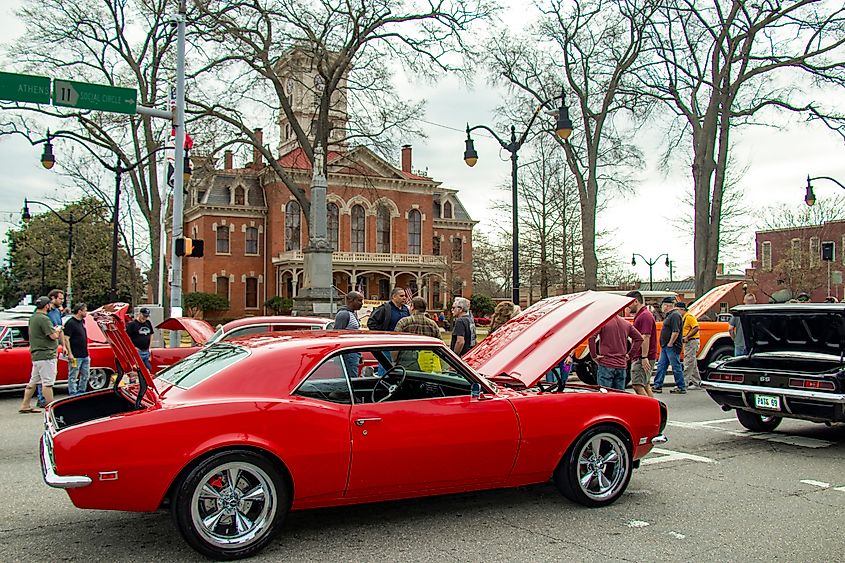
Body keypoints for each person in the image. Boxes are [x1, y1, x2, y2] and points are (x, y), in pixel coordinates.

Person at [19, 296, 62, 413]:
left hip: (36, 354)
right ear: (47, 305)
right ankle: (52, 408)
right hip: (46, 354)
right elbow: (53, 336)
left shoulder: (33, 318)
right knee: (47, 383)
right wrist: (58, 330)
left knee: (33, 382)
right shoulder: (44, 319)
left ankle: (25, 405)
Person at [588, 311, 643, 391]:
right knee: (619, 396)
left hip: (606, 363)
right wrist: (630, 354)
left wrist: (594, 356)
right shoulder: (626, 323)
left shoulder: (603, 322)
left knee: (605, 395)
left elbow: (591, 337)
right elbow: (639, 338)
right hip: (621, 364)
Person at [653, 297, 686, 394]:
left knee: (676, 366)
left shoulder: (675, 316)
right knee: (661, 366)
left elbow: (675, 331)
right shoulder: (670, 315)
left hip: (672, 346)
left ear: (667, 305)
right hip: (666, 346)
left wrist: (671, 343)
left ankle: (681, 386)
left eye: (663, 305)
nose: (662, 308)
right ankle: (657, 385)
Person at [626, 290, 657, 398]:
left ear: (635, 301)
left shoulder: (644, 316)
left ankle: (649, 409)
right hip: (643, 356)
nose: (628, 307)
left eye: (629, 303)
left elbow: (645, 336)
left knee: (638, 385)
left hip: (642, 356)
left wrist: (644, 357)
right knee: (645, 384)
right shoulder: (643, 315)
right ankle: (654, 410)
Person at [63, 303, 90, 395]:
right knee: (73, 375)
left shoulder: (82, 322)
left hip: (84, 354)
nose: (86, 312)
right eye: (85, 310)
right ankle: (73, 392)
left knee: (85, 375)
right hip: (75, 355)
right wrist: (70, 353)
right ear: (79, 311)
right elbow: (66, 338)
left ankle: (82, 391)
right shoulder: (71, 323)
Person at [334, 291, 363, 377]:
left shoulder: (352, 313)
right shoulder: (344, 314)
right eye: (359, 301)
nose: (361, 304)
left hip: (353, 351)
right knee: (351, 378)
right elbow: (337, 334)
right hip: (347, 352)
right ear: (351, 300)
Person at [677, 302, 702, 389]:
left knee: (688, 362)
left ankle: (684, 383)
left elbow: (696, 327)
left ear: (682, 309)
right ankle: (697, 382)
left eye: (677, 310)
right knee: (692, 363)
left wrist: (687, 336)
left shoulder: (689, 317)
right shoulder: (684, 317)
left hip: (692, 341)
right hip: (689, 342)